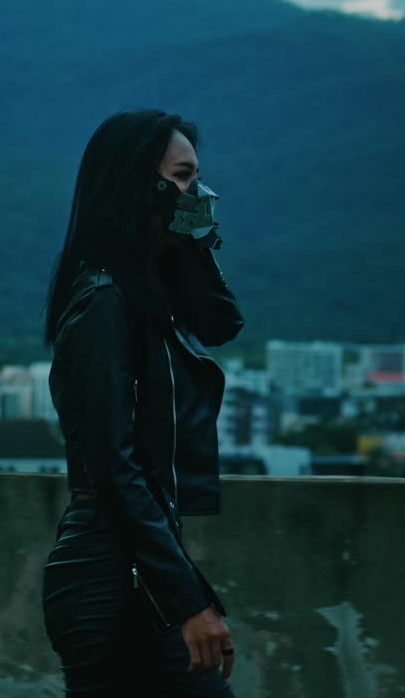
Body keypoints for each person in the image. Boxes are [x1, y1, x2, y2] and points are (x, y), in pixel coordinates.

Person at [40, 109, 245, 696]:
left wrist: (194, 233)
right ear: (140, 184)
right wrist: (187, 603)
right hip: (106, 575)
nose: (197, 191)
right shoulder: (104, 303)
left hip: (138, 565)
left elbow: (221, 322)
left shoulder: (139, 297)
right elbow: (114, 468)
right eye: (181, 177)